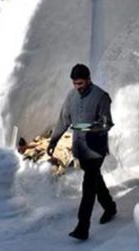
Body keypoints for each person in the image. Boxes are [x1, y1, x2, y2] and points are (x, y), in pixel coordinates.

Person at [48, 63, 117, 241]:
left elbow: (106, 124)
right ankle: (110, 207)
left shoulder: (101, 97)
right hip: (80, 147)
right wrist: (54, 140)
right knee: (95, 180)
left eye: (80, 83)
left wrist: (89, 128)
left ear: (88, 79)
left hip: (96, 149)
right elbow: (63, 120)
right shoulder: (71, 96)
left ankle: (82, 227)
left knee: (88, 187)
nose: (77, 87)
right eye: (74, 83)